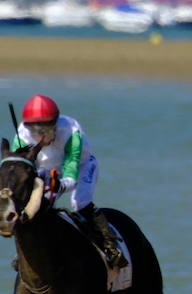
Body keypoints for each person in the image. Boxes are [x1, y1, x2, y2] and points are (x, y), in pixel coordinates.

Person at [9, 94, 125, 269]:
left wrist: (60, 185)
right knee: (36, 206)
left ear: (55, 124)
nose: (40, 136)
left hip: (82, 166)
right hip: (46, 169)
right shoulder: (22, 136)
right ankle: (25, 252)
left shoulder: (71, 132)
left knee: (80, 202)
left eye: (45, 130)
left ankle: (110, 246)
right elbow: (20, 168)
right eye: (35, 131)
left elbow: (71, 173)